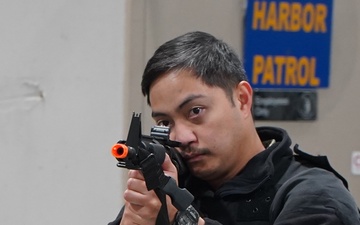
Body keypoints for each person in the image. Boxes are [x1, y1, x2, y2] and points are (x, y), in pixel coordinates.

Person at [109, 31, 360, 225]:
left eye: (195, 111)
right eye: (165, 123)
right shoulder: (173, 187)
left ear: (242, 99)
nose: (181, 137)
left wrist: (181, 218)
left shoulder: (315, 196)